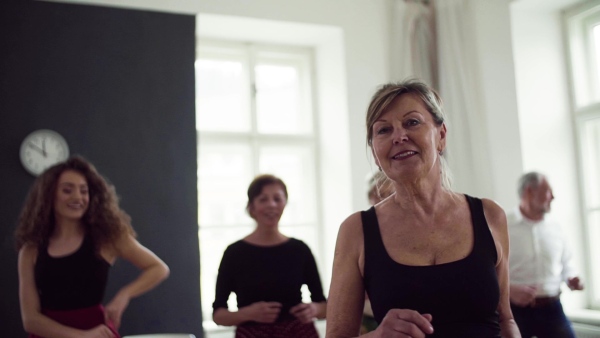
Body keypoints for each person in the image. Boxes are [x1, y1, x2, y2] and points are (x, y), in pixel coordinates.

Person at [326, 79, 521, 337]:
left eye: (412, 122)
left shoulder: (489, 215)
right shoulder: (356, 231)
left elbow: (506, 320)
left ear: (441, 136)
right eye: (383, 130)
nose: (399, 136)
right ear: (375, 153)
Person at [15, 155, 170, 338]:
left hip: (98, 332)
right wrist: (82, 336)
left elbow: (159, 268)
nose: (78, 197)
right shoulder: (30, 251)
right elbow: (31, 320)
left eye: (84, 191)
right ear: (49, 196)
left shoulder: (107, 239)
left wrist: (124, 295)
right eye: (67, 190)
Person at [212, 174, 327, 338]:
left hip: (299, 333)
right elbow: (218, 315)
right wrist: (248, 314)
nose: (271, 205)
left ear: (285, 204)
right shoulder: (234, 253)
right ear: (251, 206)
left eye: (277, 199)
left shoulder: (300, 250)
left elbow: (324, 306)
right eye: (263, 199)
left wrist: (313, 309)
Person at [508, 172, 584, 338]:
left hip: (552, 308)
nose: (553, 197)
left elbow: (566, 263)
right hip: (515, 312)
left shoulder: (556, 227)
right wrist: (509, 290)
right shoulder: (503, 225)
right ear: (529, 191)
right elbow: (490, 269)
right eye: (548, 191)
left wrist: (571, 278)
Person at [361, 171, 394, 334]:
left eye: (390, 193)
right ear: (370, 198)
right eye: (379, 194)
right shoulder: (358, 233)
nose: (384, 199)